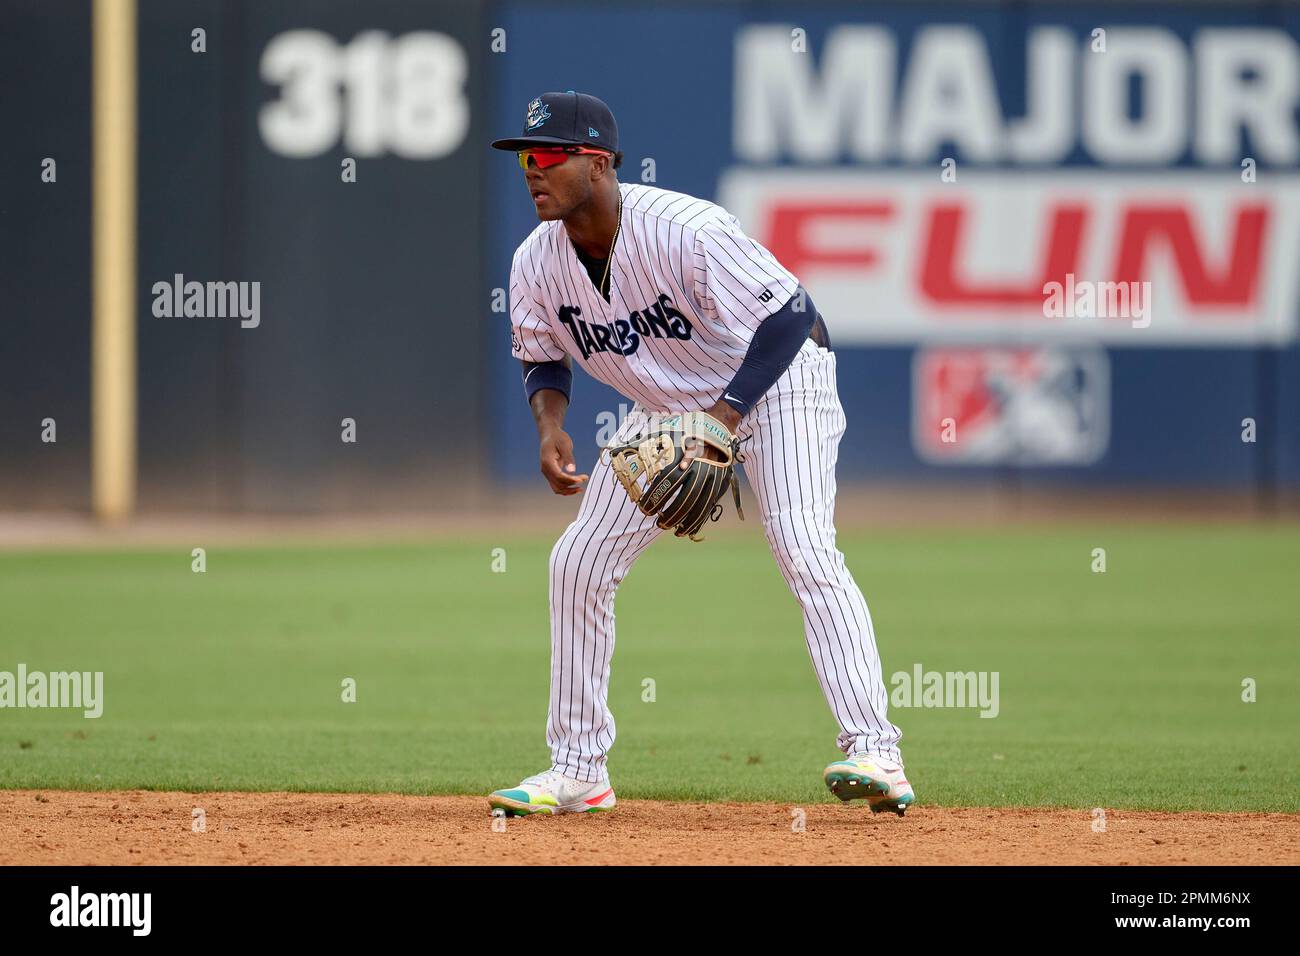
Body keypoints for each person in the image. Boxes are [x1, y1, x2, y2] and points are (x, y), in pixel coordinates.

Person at [486, 91, 913, 817]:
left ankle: (876, 749)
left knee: (804, 547)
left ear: (596, 161)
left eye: (549, 155)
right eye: (527, 157)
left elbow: (792, 313)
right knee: (577, 561)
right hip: (673, 412)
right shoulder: (535, 262)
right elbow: (543, 358)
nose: (533, 170)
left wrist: (725, 416)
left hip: (780, 385)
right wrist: (547, 425)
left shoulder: (685, 230)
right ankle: (579, 769)